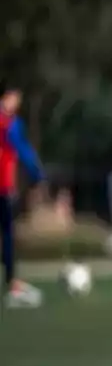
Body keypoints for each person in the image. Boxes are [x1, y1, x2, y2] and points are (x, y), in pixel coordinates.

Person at [0, 84, 45, 308]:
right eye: (14, 98)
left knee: (8, 235)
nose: (15, 104)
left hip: (6, 187)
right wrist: (36, 173)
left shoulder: (12, 123)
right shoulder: (8, 123)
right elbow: (20, 147)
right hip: (3, 188)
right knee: (7, 234)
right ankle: (12, 285)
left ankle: (12, 284)